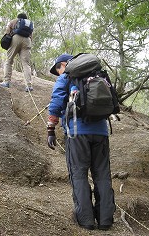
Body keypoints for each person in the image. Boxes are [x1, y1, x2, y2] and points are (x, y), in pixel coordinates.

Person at [47, 53, 115, 230]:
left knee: (78, 174)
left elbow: (56, 102)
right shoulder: (98, 75)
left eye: (58, 69)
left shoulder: (67, 76)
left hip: (77, 133)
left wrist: (51, 128)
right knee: (102, 174)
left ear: (64, 64)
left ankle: (86, 220)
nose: (59, 73)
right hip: (101, 131)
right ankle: (105, 219)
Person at [0, 13, 34, 92]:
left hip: (16, 38)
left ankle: (6, 82)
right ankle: (28, 85)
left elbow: (8, 29)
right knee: (26, 64)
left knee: (9, 60)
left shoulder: (14, 21)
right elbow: (31, 36)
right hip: (27, 40)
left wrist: (7, 36)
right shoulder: (29, 24)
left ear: (18, 17)